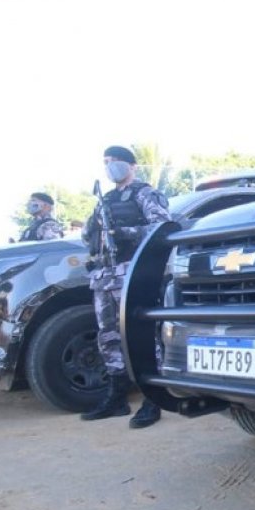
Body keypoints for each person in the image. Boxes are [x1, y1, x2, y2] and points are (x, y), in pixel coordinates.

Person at [80, 145, 171, 429]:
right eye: (106, 161)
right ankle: (117, 396)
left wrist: (125, 231)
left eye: (116, 161)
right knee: (108, 338)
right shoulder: (105, 199)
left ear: (132, 165)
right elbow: (89, 237)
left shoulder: (145, 193)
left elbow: (163, 228)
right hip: (105, 275)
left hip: (133, 274)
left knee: (142, 336)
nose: (110, 166)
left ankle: (153, 399)